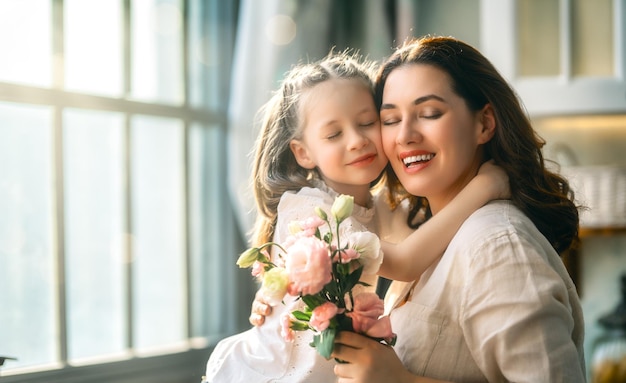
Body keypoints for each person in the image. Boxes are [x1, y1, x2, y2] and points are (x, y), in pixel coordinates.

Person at [204, 50, 508, 382]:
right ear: (303, 152)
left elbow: (435, 230)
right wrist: (485, 187)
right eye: (334, 134)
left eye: (367, 123)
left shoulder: (377, 207)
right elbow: (406, 261)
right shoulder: (307, 208)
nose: (357, 141)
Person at [331, 36, 586, 383]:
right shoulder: (434, 237)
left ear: (484, 124)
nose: (405, 135)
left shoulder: (496, 245)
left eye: (429, 114)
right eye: (390, 119)